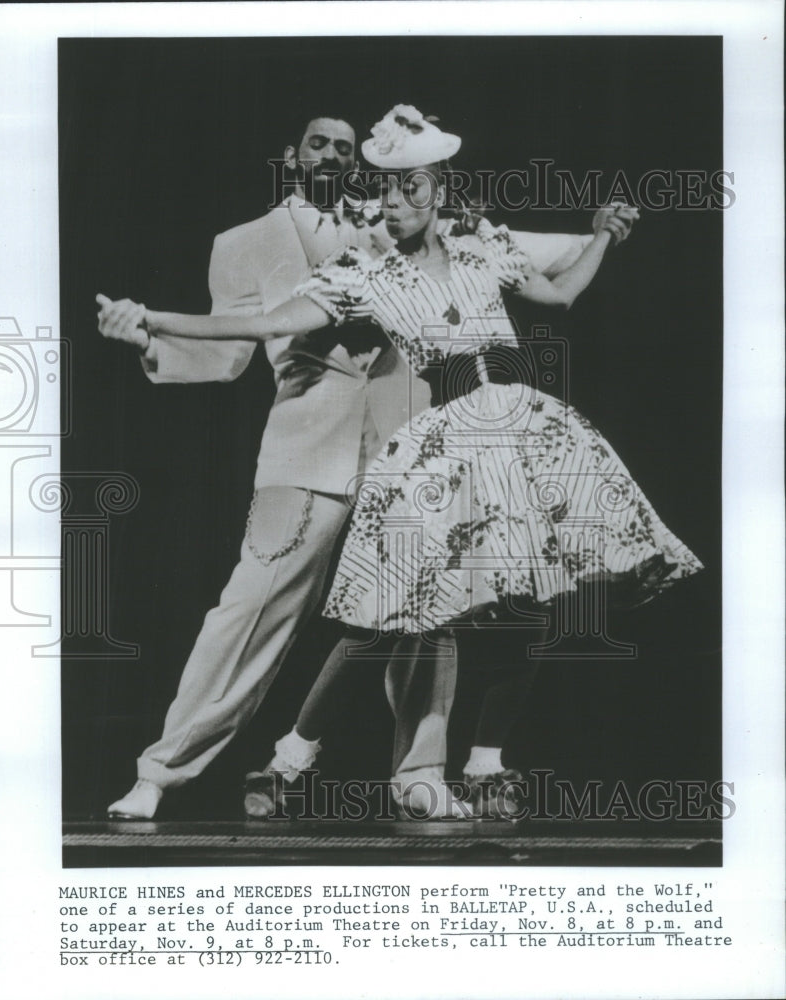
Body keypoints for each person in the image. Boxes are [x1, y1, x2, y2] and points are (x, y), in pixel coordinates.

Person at [101, 106, 700, 820]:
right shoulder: (321, 259)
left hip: (474, 440)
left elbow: (554, 279)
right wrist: (151, 324)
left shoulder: (452, 237)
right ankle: (217, 765)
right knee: (318, 609)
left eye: (403, 182)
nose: (389, 195)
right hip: (367, 449)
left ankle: (445, 768)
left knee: (479, 604)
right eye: (379, 185)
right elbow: (253, 332)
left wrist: (602, 232)